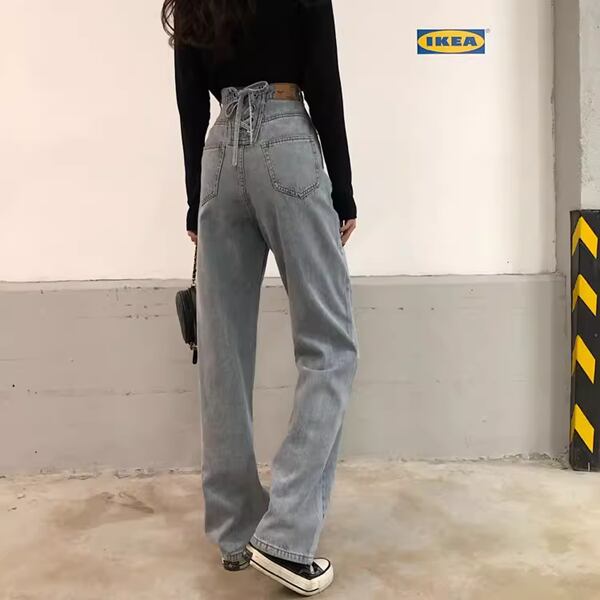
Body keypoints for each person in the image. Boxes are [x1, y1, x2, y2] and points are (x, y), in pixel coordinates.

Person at [162, 0, 358, 595]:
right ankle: (287, 532)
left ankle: (236, 531)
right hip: (285, 141)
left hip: (218, 154)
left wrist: (196, 202)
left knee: (221, 355)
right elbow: (324, 80)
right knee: (329, 346)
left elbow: (189, 98)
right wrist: (343, 192)